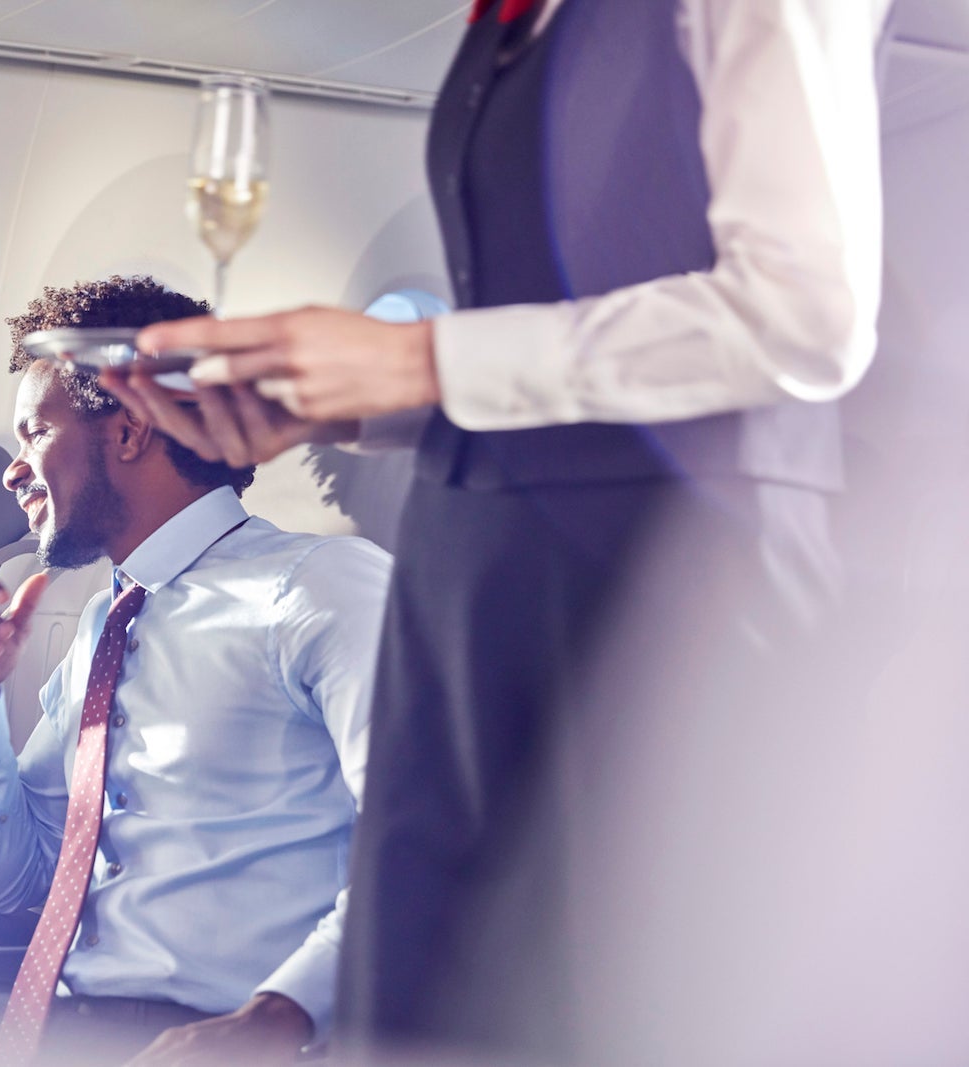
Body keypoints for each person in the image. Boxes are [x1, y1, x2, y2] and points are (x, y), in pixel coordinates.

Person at [107, 0, 891, 1061]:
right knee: (414, 1003)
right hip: (469, 573)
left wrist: (420, 358)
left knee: (607, 1009)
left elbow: (805, 316)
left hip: (661, 580)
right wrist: (344, 403)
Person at [0, 276, 391, 1065]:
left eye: (36, 432)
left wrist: (277, 1018)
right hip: (56, 1033)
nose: (12, 470)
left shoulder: (317, 586)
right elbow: (19, 879)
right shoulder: (103, 621)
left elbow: (417, 834)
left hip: (230, 1035)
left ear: (131, 430)